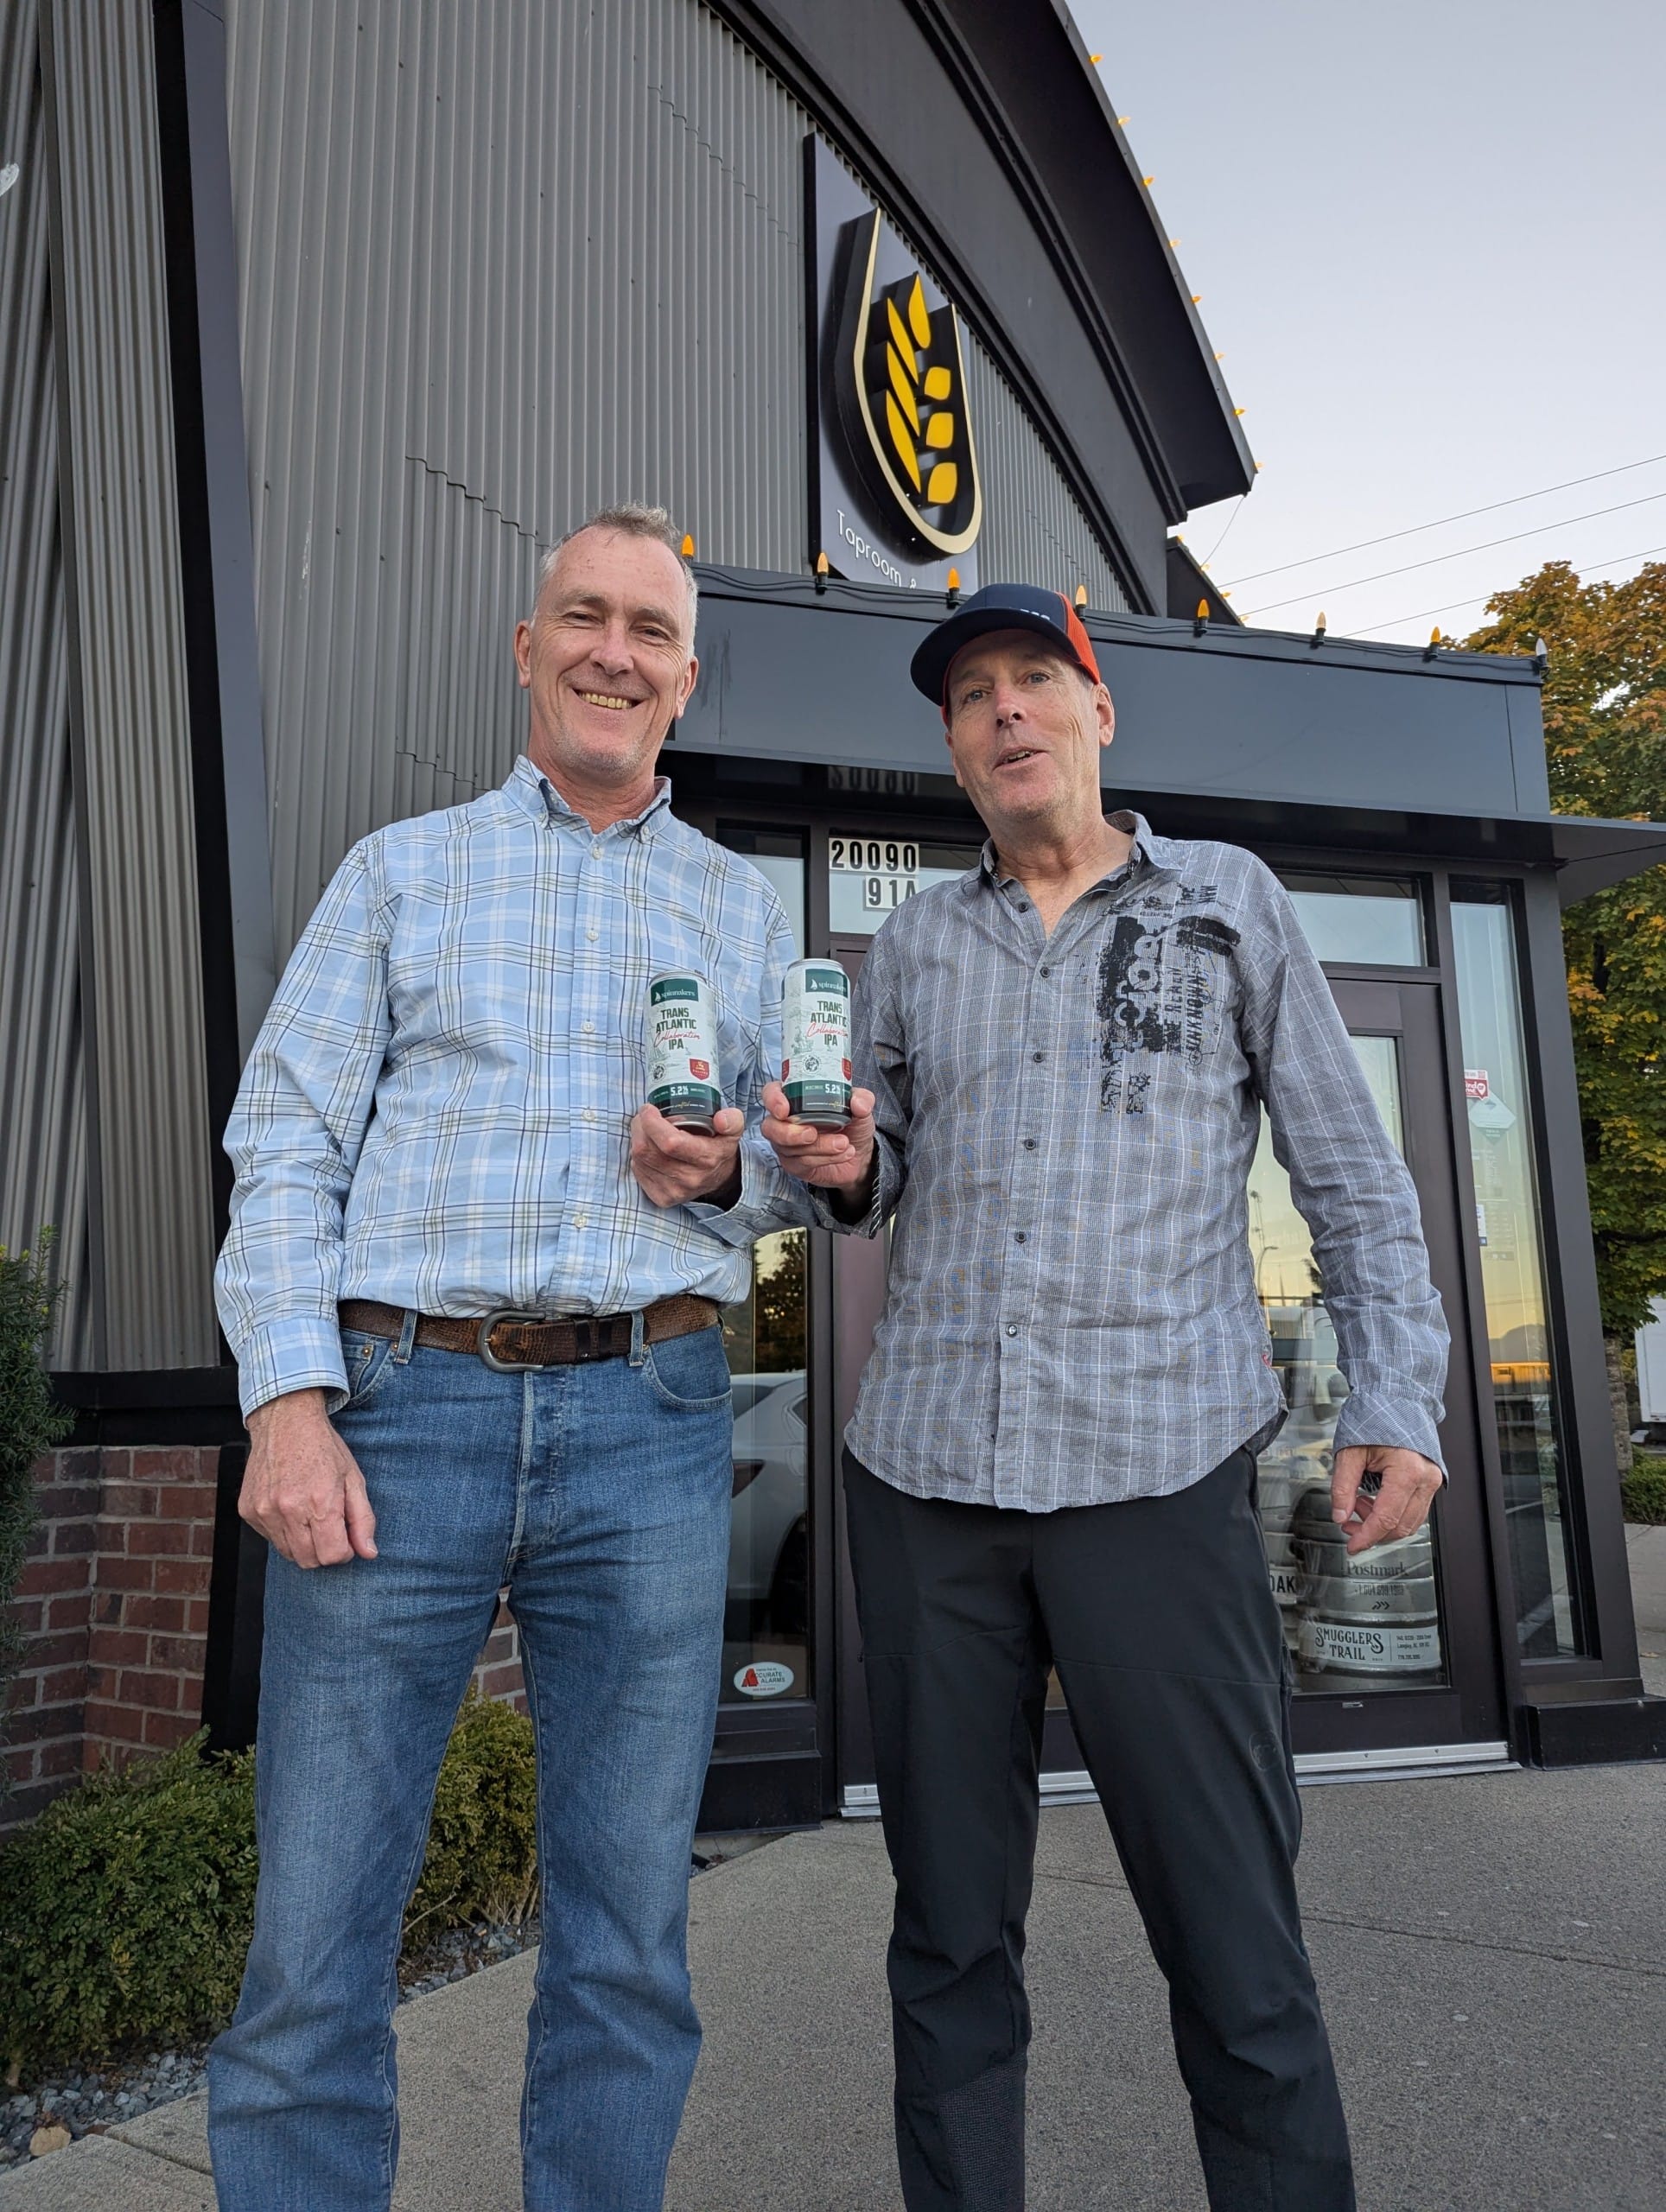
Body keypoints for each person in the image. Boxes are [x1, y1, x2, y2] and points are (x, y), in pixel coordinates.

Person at [762, 583, 1449, 2212]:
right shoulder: (920, 939)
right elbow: (866, 1180)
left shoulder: (1225, 902)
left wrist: (1397, 1395)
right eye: (971, 697)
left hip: (1156, 1478)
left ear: (1099, 711)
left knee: (1232, 1935)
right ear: (949, 744)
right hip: (929, 1481)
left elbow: (1350, 1179)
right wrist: (849, 1168)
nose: (1005, 714)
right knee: (945, 1934)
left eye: (1033, 684)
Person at [208, 504, 804, 2212]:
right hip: (402, 1411)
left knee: (626, 1933)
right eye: (584, 615)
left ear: (688, 677)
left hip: (656, 1413)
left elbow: (792, 1170)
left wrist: (735, 1170)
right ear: (528, 647)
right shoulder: (400, 870)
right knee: (318, 1936)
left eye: (651, 629)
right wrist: (289, 1399)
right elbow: (290, 1138)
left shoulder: (742, 909)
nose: (616, 649)